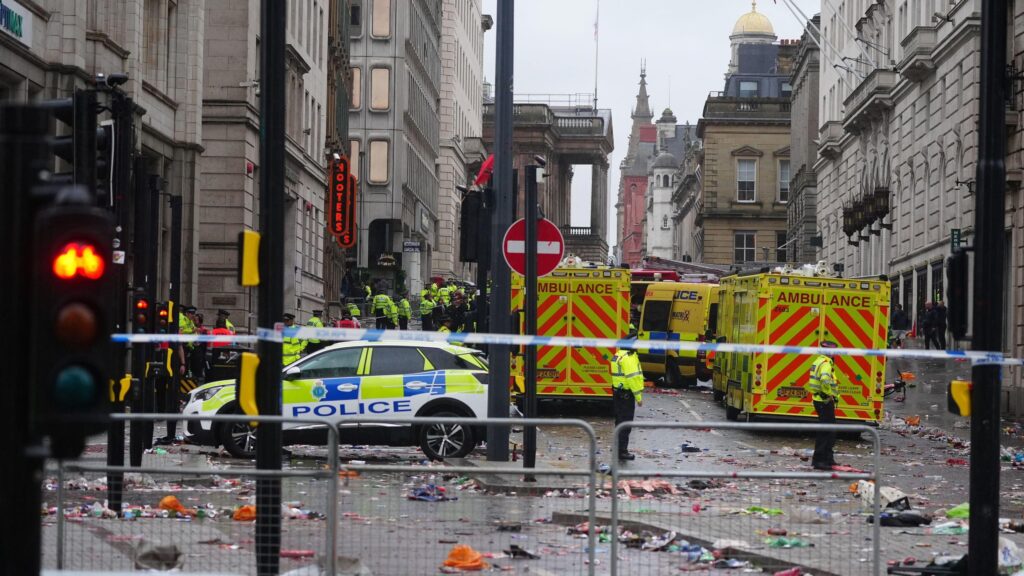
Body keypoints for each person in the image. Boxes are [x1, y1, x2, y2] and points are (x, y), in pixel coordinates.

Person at [610, 329, 645, 460]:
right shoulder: (628, 358)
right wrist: (639, 397)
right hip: (626, 395)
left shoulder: (618, 354)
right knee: (625, 423)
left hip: (618, 393)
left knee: (619, 422)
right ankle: (622, 451)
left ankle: (617, 448)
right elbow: (633, 378)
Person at [808, 341, 839, 470]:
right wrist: (829, 394)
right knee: (826, 431)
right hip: (824, 400)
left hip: (819, 399)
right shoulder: (826, 364)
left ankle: (828, 458)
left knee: (829, 431)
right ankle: (820, 460)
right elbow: (825, 380)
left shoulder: (818, 361)